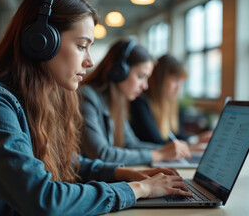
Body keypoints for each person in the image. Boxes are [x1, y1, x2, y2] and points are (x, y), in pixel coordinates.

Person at [0, 0, 192, 215]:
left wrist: (122, 173)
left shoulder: (43, 98)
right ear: (41, 42)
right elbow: (42, 199)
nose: (89, 61)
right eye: (81, 45)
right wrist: (138, 189)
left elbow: (67, 161)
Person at [79, 39, 193, 167]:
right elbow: (101, 153)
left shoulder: (117, 102)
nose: (144, 86)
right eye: (140, 76)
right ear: (120, 71)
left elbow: (131, 144)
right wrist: (159, 154)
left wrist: (168, 150)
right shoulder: (87, 96)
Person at [130, 54, 212, 146]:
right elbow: (157, 143)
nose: (179, 88)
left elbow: (176, 136)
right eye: (176, 80)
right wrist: (191, 144)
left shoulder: (172, 105)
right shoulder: (140, 103)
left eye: (181, 82)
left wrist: (197, 138)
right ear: (161, 80)